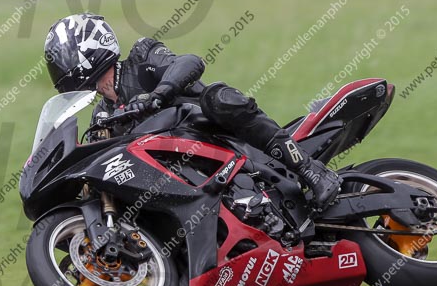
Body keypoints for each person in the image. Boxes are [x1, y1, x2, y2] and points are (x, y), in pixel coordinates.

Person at [44, 13, 341, 209]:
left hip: (218, 138)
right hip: (180, 181)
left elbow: (189, 62)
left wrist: (158, 94)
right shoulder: (102, 117)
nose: (59, 70)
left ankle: (309, 170)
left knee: (217, 97)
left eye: (62, 60)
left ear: (87, 50)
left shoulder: (141, 58)